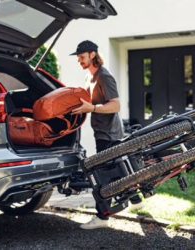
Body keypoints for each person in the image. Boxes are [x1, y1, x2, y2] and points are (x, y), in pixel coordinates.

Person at [71, 40, 143, 230]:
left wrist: (92, 108)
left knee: (102, 176)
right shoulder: (90, 77)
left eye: (81, 56)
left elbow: (116, 105)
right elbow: (87, 102)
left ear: (92, 55)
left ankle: (102, 216)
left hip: (110, 134)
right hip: (101, 133)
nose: (79, 60)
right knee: (119, 171)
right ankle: (136, 200)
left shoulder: (104, 76)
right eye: (78, 57)